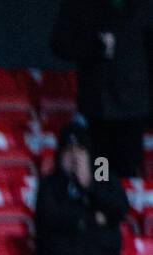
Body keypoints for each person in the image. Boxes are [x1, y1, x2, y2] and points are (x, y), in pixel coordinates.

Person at [51, 0, 150, 179]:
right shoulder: (79, 5)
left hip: (133, 109)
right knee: (101, 172)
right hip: (99, 108)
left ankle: (121, 203)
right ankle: (102, 204)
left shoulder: (143, 5)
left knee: (128, 173)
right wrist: (94, 46)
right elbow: (60, 43)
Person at [31, 121, 129, 255]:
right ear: (60, 155)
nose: (75, 156)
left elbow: (120, 209)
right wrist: (92, 217)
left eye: (80, 150)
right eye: (69, 151)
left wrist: (88, 186)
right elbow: (49, 219)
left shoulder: (103, 178)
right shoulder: (49, 184)